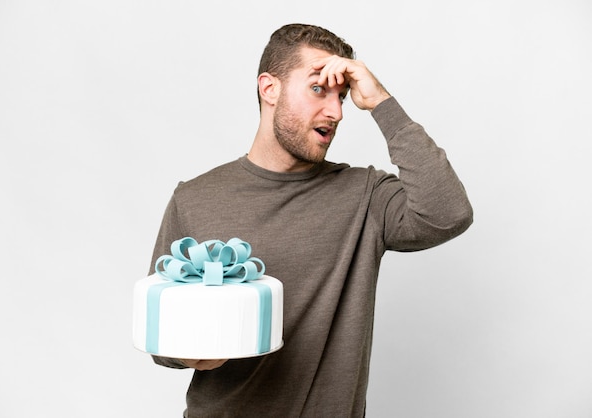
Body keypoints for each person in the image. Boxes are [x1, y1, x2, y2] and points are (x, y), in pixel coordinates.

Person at [147, 23, 473, 417]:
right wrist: (188, 353)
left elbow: (447, 212)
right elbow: (161, 337)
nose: (335, 112)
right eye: (318, 89)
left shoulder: (365, 195)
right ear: (270, 89)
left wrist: (381, 103)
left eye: (342, 97)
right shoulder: (194, 197)